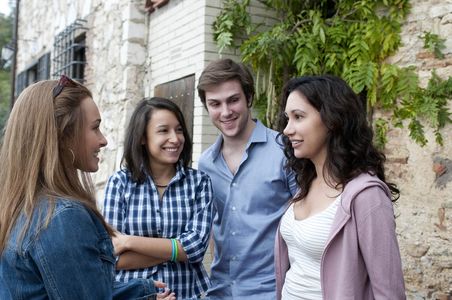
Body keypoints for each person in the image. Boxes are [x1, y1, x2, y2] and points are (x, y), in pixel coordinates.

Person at [0, 75, 166, 299]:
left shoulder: (20, 207)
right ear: (64, 135)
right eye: (95, 128)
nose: (103, 140)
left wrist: (142, 291)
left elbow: (67, 286)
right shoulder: (62, 219)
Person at [275, 75, 406, 299]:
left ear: (332, 120)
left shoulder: (367, 197)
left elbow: (389, 292)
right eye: (288, 118)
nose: (287, 129)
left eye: (298, 117)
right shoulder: (306, 184)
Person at [197, 58, 298, 299]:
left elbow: (305, 220)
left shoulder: (285, 150)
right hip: (220, 291)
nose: (225, 112)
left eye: (233, 100)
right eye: (215, 103)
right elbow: (214, 227)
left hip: (271, 291)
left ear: (249, 97)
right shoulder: (205, 164)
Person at [103, 97, 213, 300]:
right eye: (164, 130)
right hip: (135, 296)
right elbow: (111, 256)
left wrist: (128, 241)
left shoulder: (199, 183)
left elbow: (196, 249)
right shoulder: (119, 183)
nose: (175, 138)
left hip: (186, 295)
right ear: (143, 137)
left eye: (179, 130)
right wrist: (176, 250)